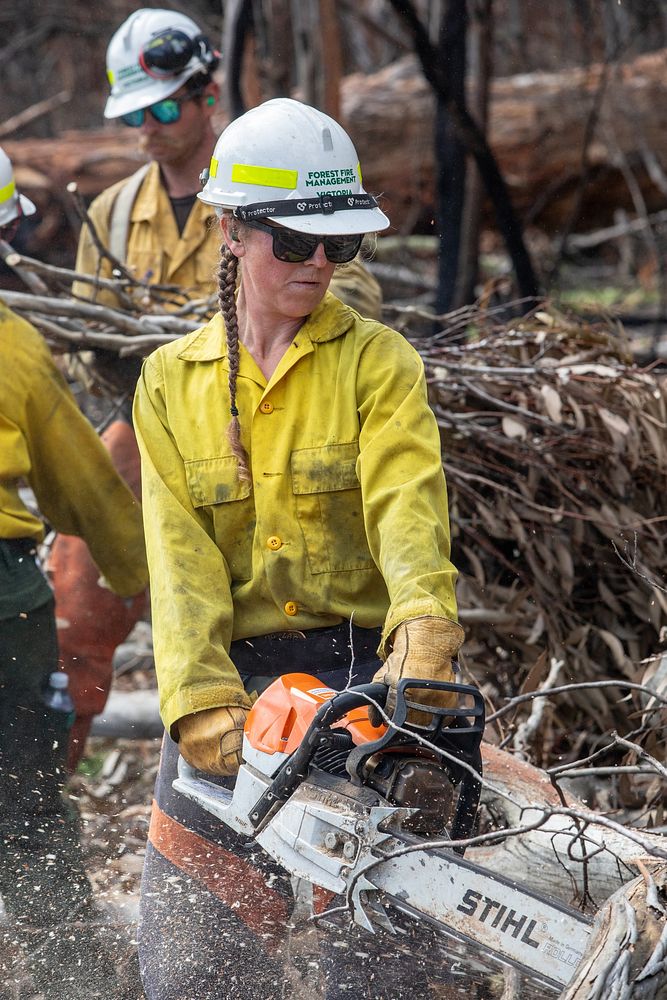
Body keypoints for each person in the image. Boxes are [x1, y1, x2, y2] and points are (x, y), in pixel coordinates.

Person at [133, 98, 464, 999]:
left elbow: (407, 504)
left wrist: (424, 621)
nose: (318, 263)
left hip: (362, 672)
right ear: (233, 231)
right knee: (193, 964)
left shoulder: (378, 362)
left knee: (387, 968)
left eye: (340, 245)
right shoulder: (170, 384)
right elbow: (179, 559)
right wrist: (198, 697)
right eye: (293, 242)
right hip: (234, 684)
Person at [55, 7, 384, 770]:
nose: (149, 126)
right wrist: (150, 357)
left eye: (165, 105)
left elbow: (350, 294)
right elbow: (81, 346)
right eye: (136, 112)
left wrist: (239, 322)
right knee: (73, 616)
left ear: (206, 95)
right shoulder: (110, 212)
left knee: (273, 611)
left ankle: (312, 765)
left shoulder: (274, 172)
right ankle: (53, 794)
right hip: (141, 437)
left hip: (275, 424)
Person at [0, 147, 148, 998]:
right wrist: (134, 569)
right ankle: (70, 984)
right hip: (4, 604)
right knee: (28, 816)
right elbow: (82, 487)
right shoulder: (16, 346)